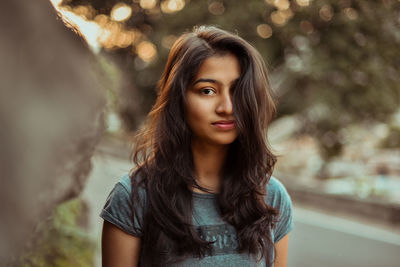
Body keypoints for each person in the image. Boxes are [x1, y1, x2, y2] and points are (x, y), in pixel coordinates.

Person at [100, 25, 293, 267]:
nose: (227, 107)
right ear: (179, 99)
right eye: (208, 90)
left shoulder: (271, 198)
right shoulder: (134, 197)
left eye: (237, 91)